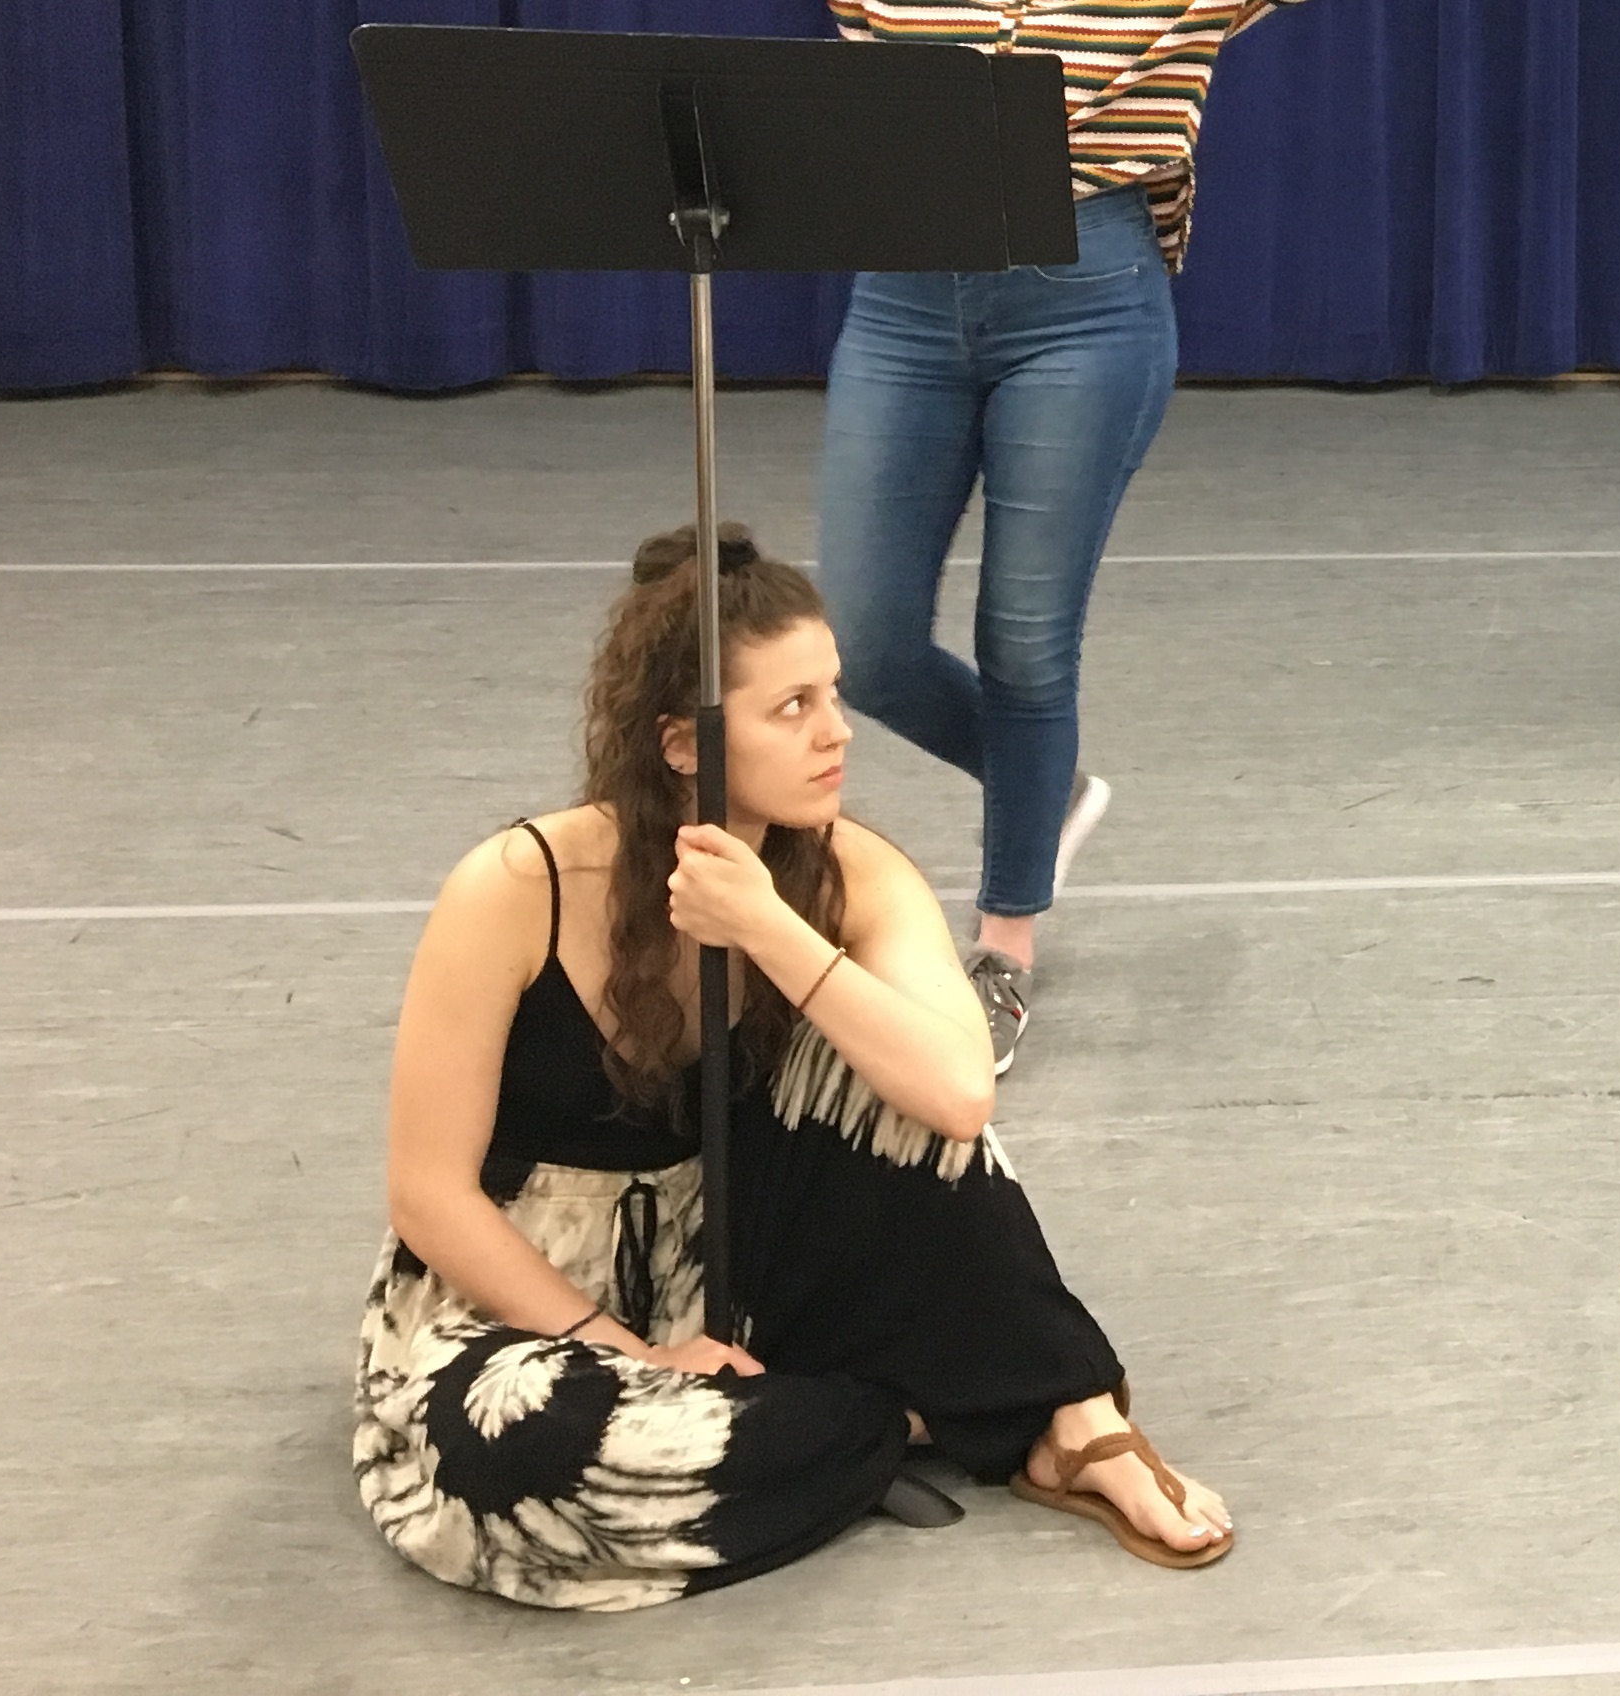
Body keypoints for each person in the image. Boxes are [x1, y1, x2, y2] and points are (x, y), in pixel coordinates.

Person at [638, 0, 1415, 1068]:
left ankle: (1004, 942)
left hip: (1088, 306)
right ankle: (1038, 790)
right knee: (867, 637)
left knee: (1024, 638)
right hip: (906, 305)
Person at [357, 525, 1235, 1608]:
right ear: (684, 744)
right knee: (516, 1458)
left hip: (743, 1266)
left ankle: (1073, 1415)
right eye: (792, 708)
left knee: (899, 1081)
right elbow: (429, 1195)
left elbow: (959, 1098)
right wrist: (633, 1353)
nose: (837, 733)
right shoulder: (514, 884)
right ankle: (897, 1417)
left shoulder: (850, 870)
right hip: (528, 1306)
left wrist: (770, 929)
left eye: (834, 695)